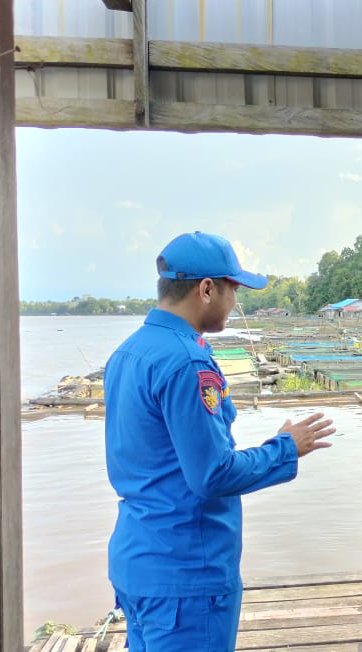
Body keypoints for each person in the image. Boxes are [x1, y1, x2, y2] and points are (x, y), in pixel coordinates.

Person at [104, 231, 336, 652]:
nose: (235, 302)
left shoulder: (128, 352)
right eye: (234, 290)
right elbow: (212, 475)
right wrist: (286, 447)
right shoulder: (187, 362)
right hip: (186, 573)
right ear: (207, 289)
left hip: (137, 560)